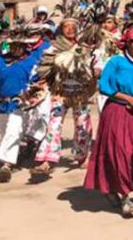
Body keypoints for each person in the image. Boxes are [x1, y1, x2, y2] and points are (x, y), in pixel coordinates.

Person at [83, 26, 133, 217]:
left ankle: (115, 188)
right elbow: (105, 86)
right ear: (127, 44)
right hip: (117, 111)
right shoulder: (116, 62)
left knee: (132, 153)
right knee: (120, 152)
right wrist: (129, 99)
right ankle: (125, 196)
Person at [0, 30, 48, 183]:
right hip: (2, 103)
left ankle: (6, 165)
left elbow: (41, 80)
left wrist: (33, 92)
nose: (15, 49)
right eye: (12, 45)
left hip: (21, 104)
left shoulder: (32, 62)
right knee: (4, 132)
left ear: (24, 46)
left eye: (18, 45)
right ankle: (15, 156)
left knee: (13, 131)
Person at [33, 17, 96, 176]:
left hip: (80, 94)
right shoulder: (54, 47)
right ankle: (47, 160)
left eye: (73, 26)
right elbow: (45, 68)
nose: (70, 29)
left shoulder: (85, 47)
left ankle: (82, 156)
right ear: (61, 29)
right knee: (53, 125)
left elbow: (92, 68)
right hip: (60, 93)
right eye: (66, 26)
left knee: (82, 125)